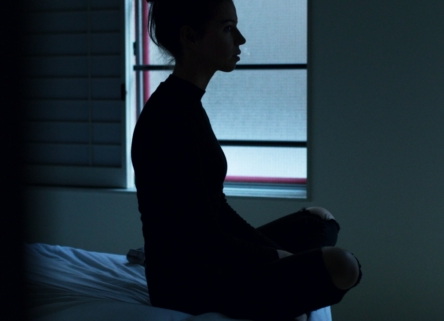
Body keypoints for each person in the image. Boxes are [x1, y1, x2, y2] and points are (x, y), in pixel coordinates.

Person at [130, 0, 361, 320]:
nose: (241, 39)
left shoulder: (186, 104)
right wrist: (276, 257)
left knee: (318, 219)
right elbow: (202, 237)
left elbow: (217, 209)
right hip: (188, 284)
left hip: (213, 256)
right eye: (228, 29)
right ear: (190, 37)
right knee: (343, 266)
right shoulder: (168, 119)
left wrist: (272, 252)